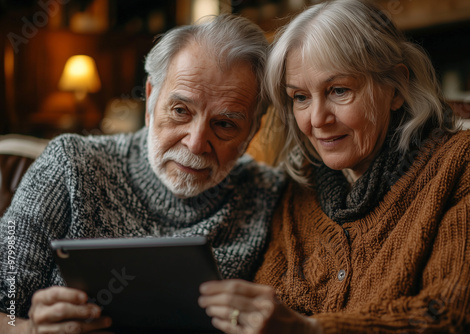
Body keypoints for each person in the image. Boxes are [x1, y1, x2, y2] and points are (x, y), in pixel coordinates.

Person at [198, 1, 470, 333]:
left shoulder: (466, 165)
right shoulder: (299, 190)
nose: (316, 120)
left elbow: (454, 318)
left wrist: (308, 329)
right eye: (300, 97)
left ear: (395, 87)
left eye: (339, 90)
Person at [0, 14, 287, 333]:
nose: (195, 145)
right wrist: (22, 329)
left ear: (251, 133)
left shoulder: (269, 194)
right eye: (181, 111)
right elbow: (7, 304)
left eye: (225, 124)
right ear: (151, 98)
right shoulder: (70, 163)